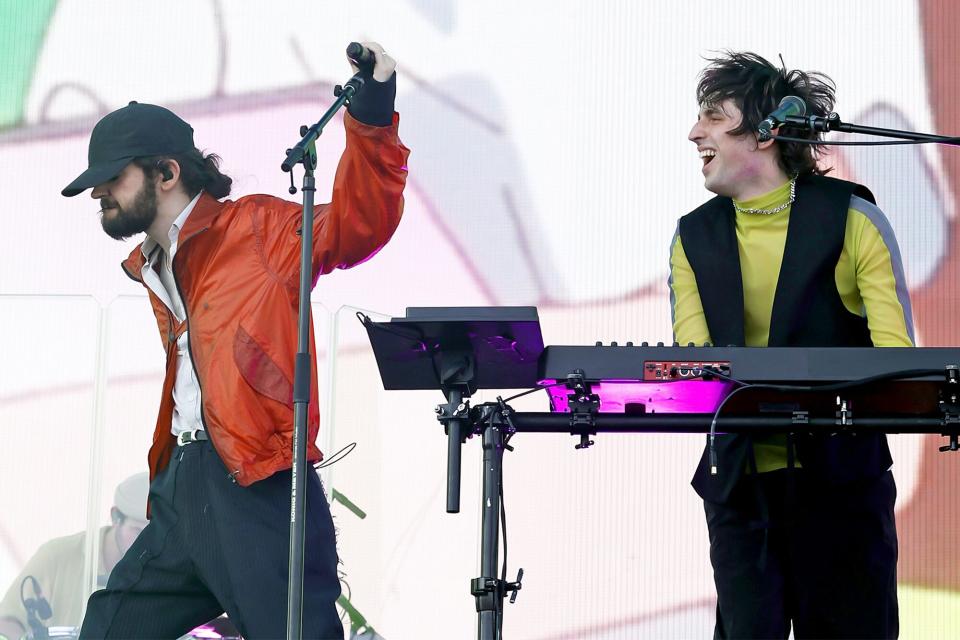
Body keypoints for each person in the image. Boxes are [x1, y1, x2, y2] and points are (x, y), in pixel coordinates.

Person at [60, 42, 408, 640]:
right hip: (182, 487)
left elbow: (359, 222)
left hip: (257, 487)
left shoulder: (257, 228)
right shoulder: (153, 261)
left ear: (167, 172)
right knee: (108, 627)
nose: (99, 194)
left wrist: (372, 117)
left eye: (112, 178)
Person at [669, 52, 914, 639]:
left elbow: (899, 364)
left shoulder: (853, 219)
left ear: (767, 130)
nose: (693, 132)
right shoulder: (692, 236)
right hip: (740, 487)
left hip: (842, 486)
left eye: (712, 116)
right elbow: (693, 373)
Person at [0, 473, 149, 639]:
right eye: (137, 530)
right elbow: (8, 623)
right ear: (115, 517)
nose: (147, 543)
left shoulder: (171, 568)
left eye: (156, 534)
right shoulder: (56, 556)